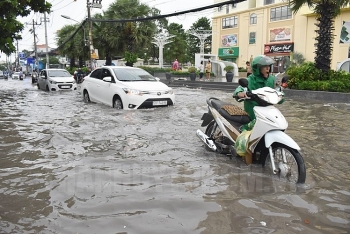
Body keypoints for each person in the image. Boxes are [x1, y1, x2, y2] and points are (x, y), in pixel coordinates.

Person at [233, 55, 283, 129]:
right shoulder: (251, 80)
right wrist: (240, 93)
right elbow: (240, 89)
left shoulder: (272, 79)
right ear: (257, 68)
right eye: (264, 66)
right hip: (253, 111)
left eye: (268, 65)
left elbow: (277, 92)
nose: (267, 68)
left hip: (267, 110)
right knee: (248, 132)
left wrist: (280, 95)